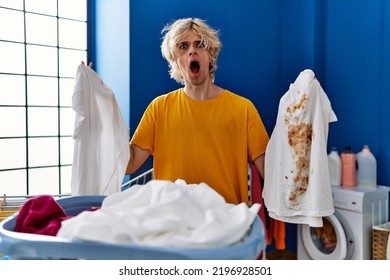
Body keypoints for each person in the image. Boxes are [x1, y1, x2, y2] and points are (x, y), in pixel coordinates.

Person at [86, 18, 269, 204]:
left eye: (200, 44)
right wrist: (99, 108)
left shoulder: (243, 109)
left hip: (225, 223)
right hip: (172, 221)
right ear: (175, 59)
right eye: (183, 46)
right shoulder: (159, 108)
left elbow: (269, 170)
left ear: (210, 54)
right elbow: (129, 164)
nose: (192, 50)